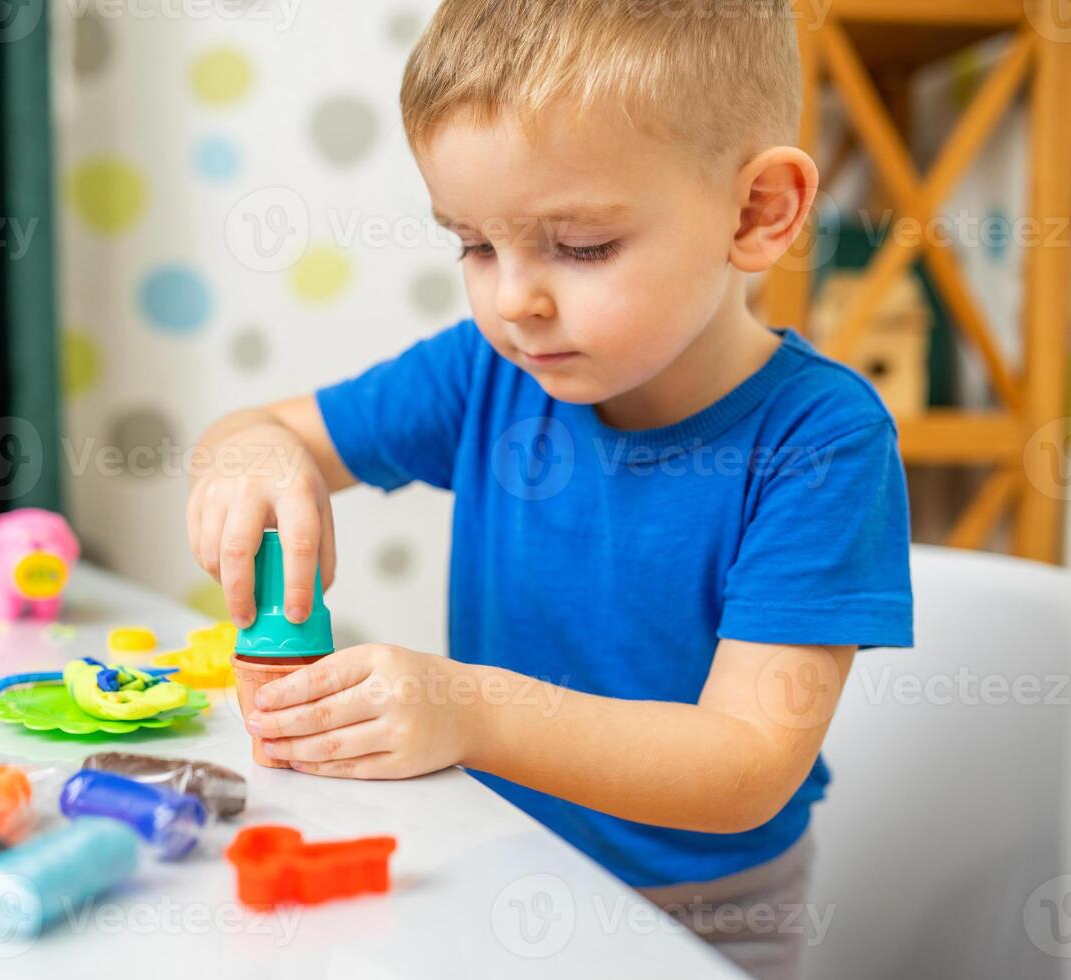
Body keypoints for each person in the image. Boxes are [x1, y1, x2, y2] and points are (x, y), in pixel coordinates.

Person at [187, 3, 912, 975]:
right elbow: (261, 432)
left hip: (700, 915)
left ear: (756, 212)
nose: (512, 300)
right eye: (475, 246)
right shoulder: (493, 372)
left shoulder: (820, 439)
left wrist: (469, 709)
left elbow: (746, 763)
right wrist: (257, 458)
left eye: (579, 246)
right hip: (497, 859)